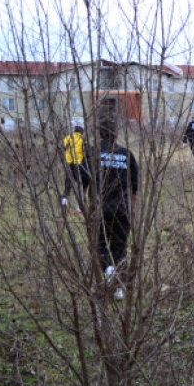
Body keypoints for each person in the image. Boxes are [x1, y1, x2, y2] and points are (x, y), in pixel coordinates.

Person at [89, 119, 139, 300]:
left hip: (100, 209)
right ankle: (119, 289)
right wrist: (132, 209)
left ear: (100, 134)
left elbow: (86, 182)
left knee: (100, 245)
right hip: (121, 209)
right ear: (116, 134)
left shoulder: (93, 154)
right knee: (119, 248)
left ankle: (109, 272)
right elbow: (135, 186)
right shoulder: (127, 155)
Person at [61, 124, 89, 212]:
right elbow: (86, 151)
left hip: (69, 163)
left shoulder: (67, 137)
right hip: (78, 164)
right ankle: (79, 207)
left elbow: (63, 148)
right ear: (81, 132)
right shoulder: (82, 139)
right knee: (80, 185)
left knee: (68, 182)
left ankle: (64, 201)